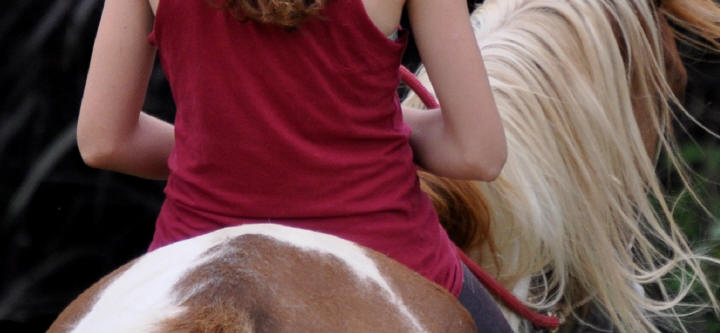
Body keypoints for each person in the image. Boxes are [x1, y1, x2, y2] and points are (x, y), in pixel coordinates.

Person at [76, 0, 509, 330]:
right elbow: (477, 152)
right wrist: (365, 132)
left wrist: (219, 145)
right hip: (393, 249)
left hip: (192, 239)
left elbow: (105, 141)